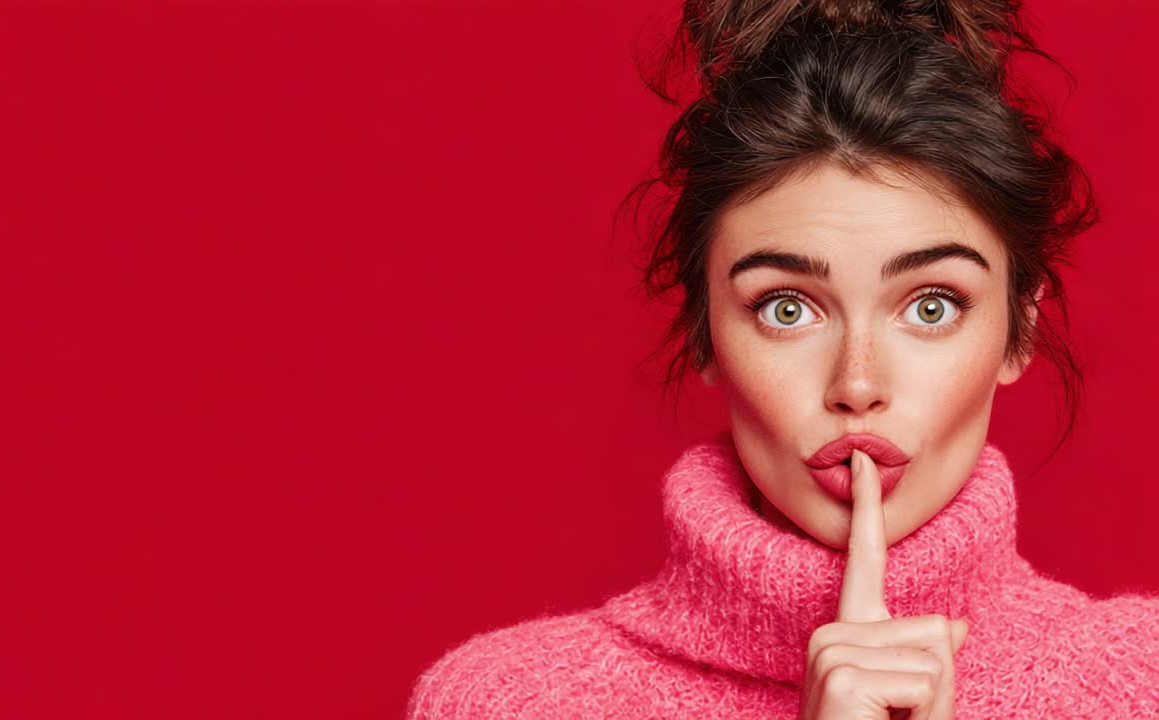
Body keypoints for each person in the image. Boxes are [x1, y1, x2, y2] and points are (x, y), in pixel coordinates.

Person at [405, 0, 1159, 717]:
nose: (857, 384)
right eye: (786, 308)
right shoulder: (506, 705)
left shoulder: (1139, 686)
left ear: (1018, 333)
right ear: (704, 334)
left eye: (931, 306)